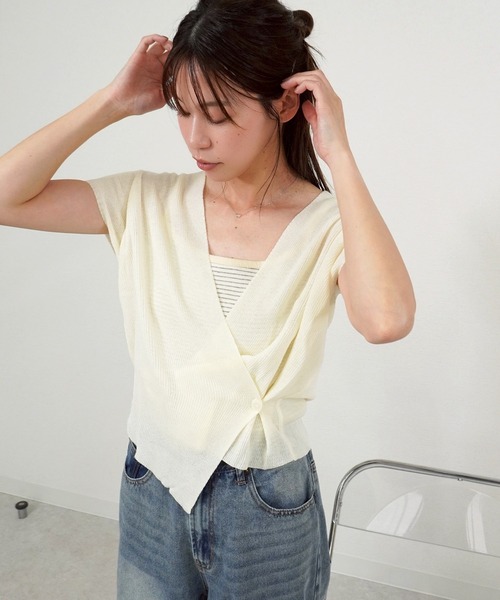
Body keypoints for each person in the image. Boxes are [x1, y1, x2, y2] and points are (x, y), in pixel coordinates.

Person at [0, 0, 415, 598]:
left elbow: (386, 321)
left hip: (264, 501)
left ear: (284, 105)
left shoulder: (329, 225)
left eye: (217, 115)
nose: (196, 137)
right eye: (183, 111)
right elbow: (7, 198)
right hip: (151, 481)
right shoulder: (147, 202)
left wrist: (340, 155)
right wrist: (112, 103)